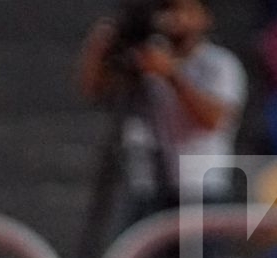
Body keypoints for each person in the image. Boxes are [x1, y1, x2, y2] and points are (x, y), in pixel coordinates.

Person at [79, 0, 246, 231]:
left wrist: (171, 76)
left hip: (199, 187)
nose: (176, 19)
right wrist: (99, 50)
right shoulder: (143, 60)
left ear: (205, 18)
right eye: (168, 10)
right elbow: (95, 92)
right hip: (146, 186)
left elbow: (214, 120)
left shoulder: (220, 63)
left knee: (199, 256)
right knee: (135, 251)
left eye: (185, 11)